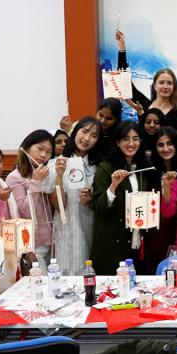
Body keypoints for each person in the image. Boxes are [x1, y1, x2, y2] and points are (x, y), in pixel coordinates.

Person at [90, 121, 151, 274]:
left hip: (136, 241)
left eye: (135, 139)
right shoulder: (105, 168)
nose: (131, 144)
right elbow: (99, 206)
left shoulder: (144, 169)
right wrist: (113, 185)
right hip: (111, 243)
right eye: (126, 139)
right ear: (117, 142)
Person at [45, 117, 102, 275]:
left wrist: (91, 199)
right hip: (67, 229)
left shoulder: (99, 167)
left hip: (92, 226)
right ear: (75, 132)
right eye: (84, 131)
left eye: (93, 135)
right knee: (68, 275)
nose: (87, 138)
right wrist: (59, 176)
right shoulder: (56, 164)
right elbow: (58, 206)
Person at [117, 30, 177, 128]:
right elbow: (124, 82)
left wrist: (142, 114)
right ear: (154, 86)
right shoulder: (143, 104)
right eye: (161, 82)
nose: (165, 86)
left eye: (169, 83)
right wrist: (122, 48)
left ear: (174, 86)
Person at [7, 130, 55, 264]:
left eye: (49, 152)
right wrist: (35, 182)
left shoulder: (46, 173)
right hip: (33, 246)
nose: (43, 155)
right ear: (27, 147)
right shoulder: (14, 178)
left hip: (52, 242)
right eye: (40, 149)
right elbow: (25, 213)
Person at [146, 126, 177, 272]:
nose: (166, 149)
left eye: (169, 144)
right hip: (156, 234)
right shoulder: (150, 171)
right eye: (160, 145)